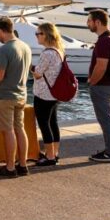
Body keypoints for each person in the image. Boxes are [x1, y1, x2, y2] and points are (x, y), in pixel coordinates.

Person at [0, 17, 32, 177]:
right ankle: (23, 164)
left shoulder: (5, 49)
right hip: (21, 94)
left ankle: (10, 167)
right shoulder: (25, 46)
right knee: (20, 129)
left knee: (8, 131)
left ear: (2, 30)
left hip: (5, 96)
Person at [87, 9, 110, 163]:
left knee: (105, 119)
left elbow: (101, 66)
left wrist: (91, 82)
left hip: (103, 85)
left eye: (89, 21)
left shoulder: (104, 41)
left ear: (98, 22)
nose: (87, 24)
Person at [32, 22, 65, 166]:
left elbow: (38, 74)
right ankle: (55, 153)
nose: (36, 36)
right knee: (53, 123)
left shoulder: (47, 53)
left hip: (44, 94)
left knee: (44, 124)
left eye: (38, 34)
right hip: (55, 93)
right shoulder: (59, 51)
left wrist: (30, 67)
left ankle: (50, 156)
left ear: (46, 35)